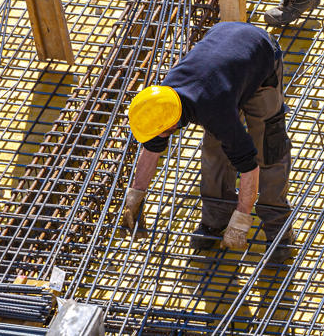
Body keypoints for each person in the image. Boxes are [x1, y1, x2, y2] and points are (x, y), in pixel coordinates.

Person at [118, 21, 294, 262]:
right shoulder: (162, 101)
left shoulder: (214, 110)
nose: (160, 137)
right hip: (224, 62)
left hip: (260, 60)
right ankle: (216, 220)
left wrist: (242, 219)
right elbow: (152, 147)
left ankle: (278, 232)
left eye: (162, 133)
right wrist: (135, 195)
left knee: (268, 148)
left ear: (172, 123)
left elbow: (248, 166)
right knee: (214, 152)